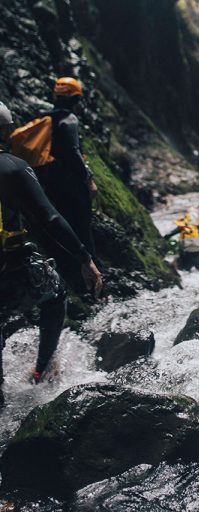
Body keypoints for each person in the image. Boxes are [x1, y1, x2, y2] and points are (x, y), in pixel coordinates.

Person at [0, 101, 102, 406]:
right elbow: (50, 218)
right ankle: (41, 369)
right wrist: (85, 259)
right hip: (9, 271)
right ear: (5, 131)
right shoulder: (13, 168)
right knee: (55, 294)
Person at [35, 77, 98, 287]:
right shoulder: (69, 119)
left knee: (62, 224)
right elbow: (73, 152)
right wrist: (88, 179)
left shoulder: (46, 118)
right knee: (82, 226)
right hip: (72, 184)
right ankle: (91, 275)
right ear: (76, 97)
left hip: (51, 183)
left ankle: (67, 272)